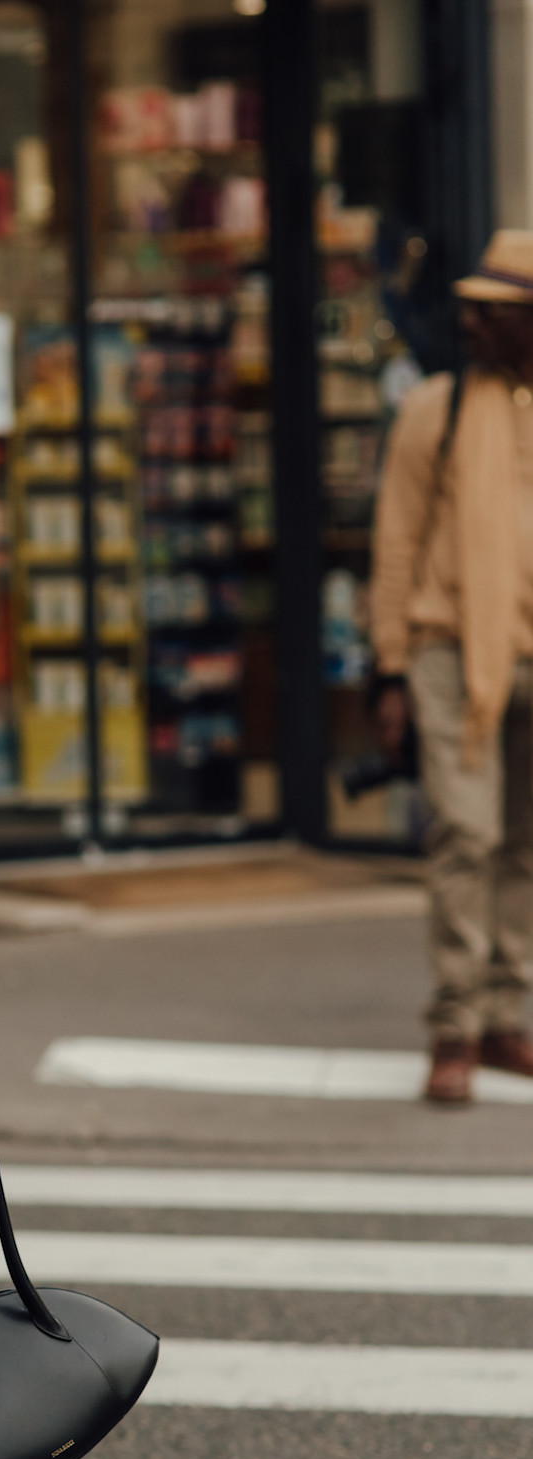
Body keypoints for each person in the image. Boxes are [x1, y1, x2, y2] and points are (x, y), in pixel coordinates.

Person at [371, 229, 533, 1104]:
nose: (469, 320)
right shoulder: (438, 408)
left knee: (524, 846)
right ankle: (454, 1025)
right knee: (466, 836)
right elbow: (394, 542)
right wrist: (390, 667)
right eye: (469, 306)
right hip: (449, 650)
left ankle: (509, 1017)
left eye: (492, 310)